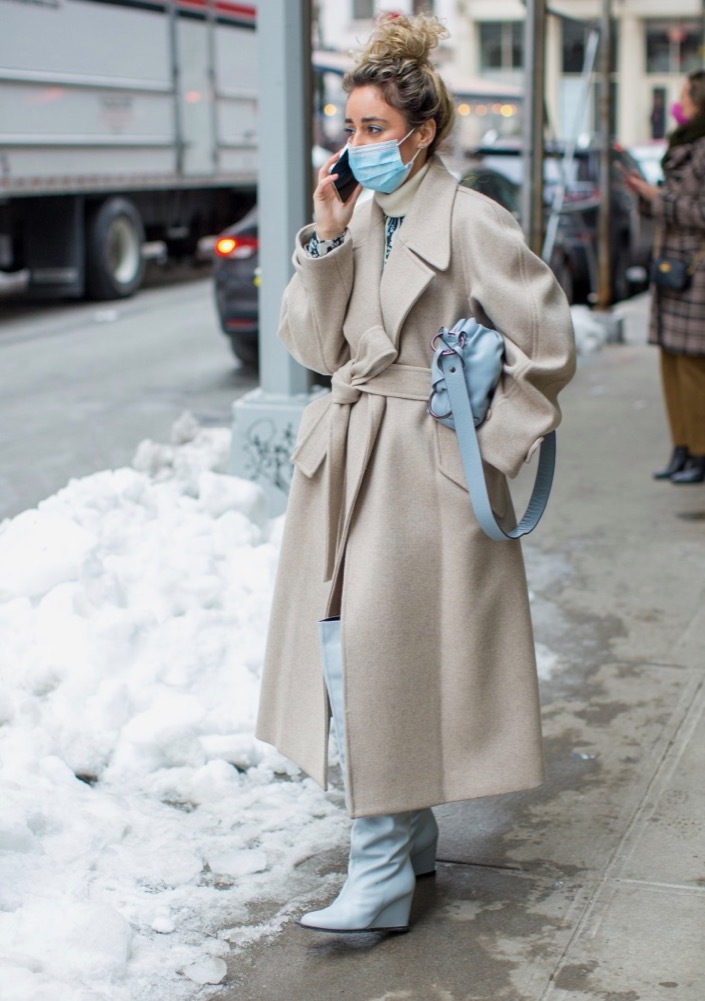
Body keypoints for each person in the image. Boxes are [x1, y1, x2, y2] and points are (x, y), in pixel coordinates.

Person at [255, 13, 576, 934]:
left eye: (370, 130)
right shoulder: (357, 213)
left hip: (421, 472)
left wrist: (479, 436)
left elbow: (548, 346)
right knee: (350, 650)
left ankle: (382, 867)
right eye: (347, 127)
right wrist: (322, 242)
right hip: (349, 454)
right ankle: (409, 834)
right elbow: (314, 346)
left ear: (421, 132)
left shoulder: (473, 218)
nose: (353, 147)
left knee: (379, 659)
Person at [625, 70, 705, 484]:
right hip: (674, 268)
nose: (679, 104)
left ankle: (699, 453)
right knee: (672, 362)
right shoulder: (684, 143)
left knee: (693, 368)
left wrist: (661, 199)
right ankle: (682, 447)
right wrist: (646, 196)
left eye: (684, 96)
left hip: (696, 273)